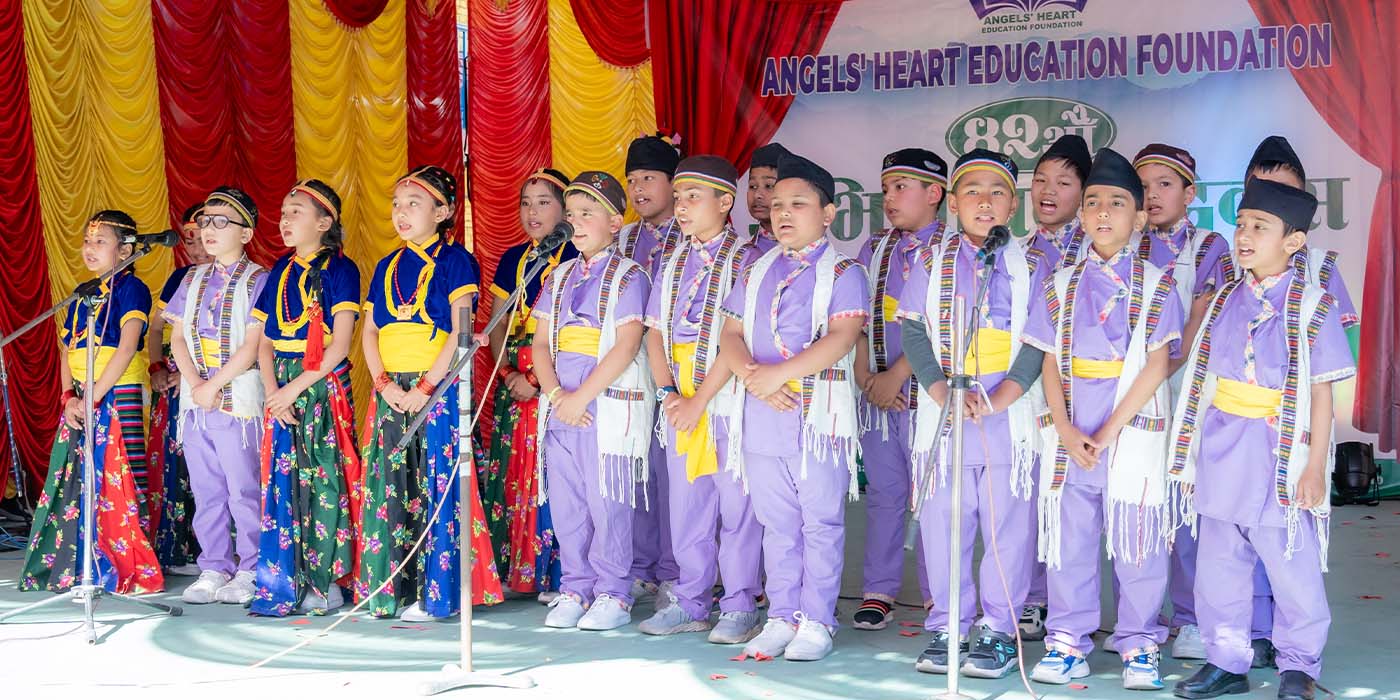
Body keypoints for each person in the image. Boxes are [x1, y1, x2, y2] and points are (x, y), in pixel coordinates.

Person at [1169, 179, 1353, 700]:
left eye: (1260, 227)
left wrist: (1314, 467)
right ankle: (1226, 661)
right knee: (1219, 565)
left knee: (1290, 563)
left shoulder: (1313, 305)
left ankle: (1299, 665)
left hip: (1278, 452)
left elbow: (1321, 392)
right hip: (1223, 447)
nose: (1244, 236)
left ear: (1293, 241)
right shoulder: (1226, 298)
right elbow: (1206, 379)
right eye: (1242, 224)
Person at [1022, 148, 1185, 690]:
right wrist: (1066, 428)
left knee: (1138, 538)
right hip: (1072, 427)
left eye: (1117, 202)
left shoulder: (1158, 282)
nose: (1103, 212)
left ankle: (1139, 643)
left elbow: (1158, 364)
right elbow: (1047, 360)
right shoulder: (1059, 282)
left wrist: (1107, 431)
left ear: (1139, 217)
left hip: (1129, 425)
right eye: (1093, 202)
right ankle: (1068, 641)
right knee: (1070, 540)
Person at [898, 149, 1049, 679]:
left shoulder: (1034, 264)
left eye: (997, 192)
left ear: (1013, 205)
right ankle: (949, 626)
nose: (985, 202)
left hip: (1007, 413)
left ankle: (999, 630)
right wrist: (941, 390)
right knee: (945, 523)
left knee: (1008, 529)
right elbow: (914, 330)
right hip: (946, 411)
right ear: (954, 204)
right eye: (972, 192)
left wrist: (1003, 395)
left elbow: (1038, 337)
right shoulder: (930, 262)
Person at [719, 153, 868, 662]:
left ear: (827, 214)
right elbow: (731, 334)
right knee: (777, 523)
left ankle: (817, 620)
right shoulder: (755, 269)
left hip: (817, 413)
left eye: (798, 204)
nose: (783, 213)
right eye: (777, 204)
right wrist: (753, 377)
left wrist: (775, 375)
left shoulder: (845, 271)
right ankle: (782, 615)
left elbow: (842, 337)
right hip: (762, 412)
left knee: (819, 522)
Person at [358, 166, 504, 621]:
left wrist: (426, 387)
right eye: (396, 204)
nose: (401, 213)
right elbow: (369, 332)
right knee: (390, 483)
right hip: (391, 390)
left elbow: (461, 329)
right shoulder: (386, 265)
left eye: (413, 204)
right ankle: (390, 590)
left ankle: (437, 593)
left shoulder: (456, 260)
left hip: (437, 385)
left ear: (442, 212)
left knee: (437, 482)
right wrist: (383, 383)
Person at [1237, 135, 1359, 668]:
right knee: (1236, 539)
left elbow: (1335, 362)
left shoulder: (1323, 270)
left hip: (1298, 427)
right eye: (1258, 193)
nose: (1268, 203)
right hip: (1237, 430)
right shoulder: (1235, 267)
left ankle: (1297, 651)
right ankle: (1250, 635)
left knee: (1288, 537)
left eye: (1283, 194)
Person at [637, 155, 764, 644]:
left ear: (725, 202)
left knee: (737, 509)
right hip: (680, 400)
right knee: (687, 506)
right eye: (679, 198)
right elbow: (654, 333)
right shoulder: (673, 262)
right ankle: (689, 601)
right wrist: (669, 392)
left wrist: (699, 399)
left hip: (727, 398)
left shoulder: (748, 260)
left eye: (694, 197)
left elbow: (739, 339)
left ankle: (739, 604)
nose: (682, 207)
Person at [533, 171, 653, 631]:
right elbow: (540, 342)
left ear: (615, 222)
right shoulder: (558, 275)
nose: (576, 222)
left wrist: (581, 397)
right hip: (562, 404)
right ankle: (575, 587)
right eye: (571, 214)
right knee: (568, 504)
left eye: (588, 213)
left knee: (609, 502)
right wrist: (556, 394)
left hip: (603, 402)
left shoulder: (630, 276)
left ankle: (614, 593)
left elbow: (626, 345)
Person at [21, 210, 163, 594]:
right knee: (84, 477)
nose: (90, 248)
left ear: (126, 250)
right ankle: (89, 555)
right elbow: (66, 350)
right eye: (87, 240)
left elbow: (127, 347)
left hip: (118, 391)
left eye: (101, 241)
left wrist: (94, 396)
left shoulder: (132, 289)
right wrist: (69, 396)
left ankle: (130, 559)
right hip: (84, 397)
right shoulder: (84, 293)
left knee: (125, 471)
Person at [1133, 143, 1235, 660]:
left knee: (1185, 510)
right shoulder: (1123, 244)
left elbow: (1205, 322)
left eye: (1164, 185)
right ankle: (1139, 620)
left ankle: (1192, 617)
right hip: (1130, 394)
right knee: (1138, 505)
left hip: (1185, 391)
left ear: (1190, 193)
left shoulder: (1210, 246)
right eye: (1143, 186)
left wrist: (1160, 371)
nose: (1152, 196)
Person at [249, 179, 361, 616]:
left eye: (295, 212)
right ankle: (286, 575)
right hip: (281, 384)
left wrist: (292, 390)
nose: (284, 220)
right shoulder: (279, 269)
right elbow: (264, 343)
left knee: (325, 478)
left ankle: (327, 579)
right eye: (283, 213)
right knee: (284, 481)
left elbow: (340, 345)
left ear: (324, 223)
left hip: (321, 383)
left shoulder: (342, 270)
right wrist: (273, 391)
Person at [851, 147, 947, 630]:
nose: (889, 198)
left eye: (901, 188)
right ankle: (879, 589)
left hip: (927, 395)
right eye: (886, 188)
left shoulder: (952, 249)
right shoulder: (875, 248)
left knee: (932, 495)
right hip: (877, 394)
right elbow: (857, 318)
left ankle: (939, 598)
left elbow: (940, 324)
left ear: (934, 194)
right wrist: (867, 377)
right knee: (885, 493)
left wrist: (899, 376)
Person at [163, 187, 269, 606]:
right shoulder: (191, 279)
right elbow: (176, 338)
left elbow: (251, 345)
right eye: (205, 221)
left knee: (243, 487)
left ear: (246, 233)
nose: (209, 229)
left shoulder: (258, 279)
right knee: (206, 488)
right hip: (196, 400)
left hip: (238, 396)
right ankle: (214, 566)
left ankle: (251, 567)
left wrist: (213, 384)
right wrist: (195, 383)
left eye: (221, 222)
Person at [481, 168, 578, 602]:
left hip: (556, 377)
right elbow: (498, 323)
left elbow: (573, 330)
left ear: (565, 210)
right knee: (512, 473)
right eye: (525, 202)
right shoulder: (514, 259)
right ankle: (517, 569)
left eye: (543, 202)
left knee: (551, 474)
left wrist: (537, 379)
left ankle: (559, 574)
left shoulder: (576, 254)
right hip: (514, 379)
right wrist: (508, 374)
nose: (532, 212)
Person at [620, 135, 683, 606]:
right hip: (627, 368)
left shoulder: (693, 232)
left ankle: (676, 570)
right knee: (636, 464)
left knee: (673, 473)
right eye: (632, 180)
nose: (638, 188)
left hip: (677, 368)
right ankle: (640, 567)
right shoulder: (622, 238)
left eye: (648, 178)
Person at [147, 203, 212, 576]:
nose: (197, 248)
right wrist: (157, 367)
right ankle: (175, 548)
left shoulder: (242, 278)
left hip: (215, 380)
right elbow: (157, 329)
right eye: (190, 241)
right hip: (174, 380)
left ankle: (217, 553)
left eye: (203, 238)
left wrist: (190, 377)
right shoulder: (181, 279)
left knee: (217, 469)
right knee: (174, 464)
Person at [746, 142, 793, 254]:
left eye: (769, 186)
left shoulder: (810, 251)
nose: (757, 195)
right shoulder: (739, 253)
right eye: (753, 186)